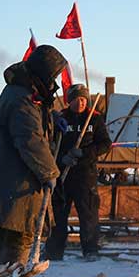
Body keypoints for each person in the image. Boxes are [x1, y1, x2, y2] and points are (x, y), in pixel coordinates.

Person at [0, 45, 66, 271]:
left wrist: (52, 115)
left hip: (13, 177)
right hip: (18, 179)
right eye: (54, 75)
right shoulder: (22, 99)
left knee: (9, 230)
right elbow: (30, 139)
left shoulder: (22, 92)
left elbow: (32, 121)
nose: (55, 82)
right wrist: (50, 172)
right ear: (43, 72)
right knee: (23, 229)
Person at [44, 84, 111, 262]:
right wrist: (61, 158)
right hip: (63, 175)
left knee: (88, 215)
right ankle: (54, 251)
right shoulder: (61, 119)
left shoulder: (94, 119)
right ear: (70, 100)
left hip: (85, 175)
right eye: (77, 99)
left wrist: (84, 153)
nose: (81, 103)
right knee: (58, 215)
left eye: (83, 99)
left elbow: (105, 144)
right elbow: (50, 144)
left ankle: (90, 250)